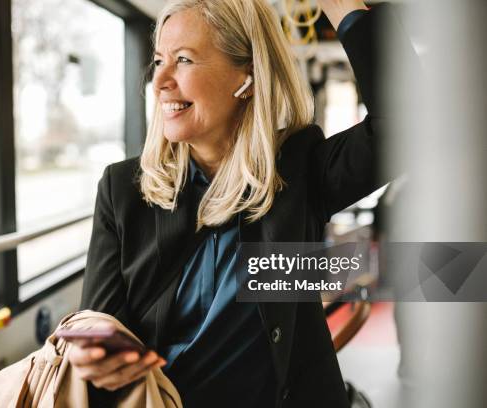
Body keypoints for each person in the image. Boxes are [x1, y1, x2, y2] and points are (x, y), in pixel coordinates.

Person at [69, 0, 419, 406]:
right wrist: (91, 350)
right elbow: (99, 326)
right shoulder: (123, 191)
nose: (160, 80)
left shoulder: (297, 170)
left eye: (183, 60)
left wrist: (344, 9)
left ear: (247, 75)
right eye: (159, 60)